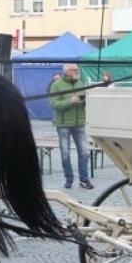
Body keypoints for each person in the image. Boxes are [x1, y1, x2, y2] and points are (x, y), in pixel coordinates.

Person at [48, 62, 93, 190]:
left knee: (83, 152)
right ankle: (69, 179)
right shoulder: (56, 85)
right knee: (65, 153)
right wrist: (70, 101)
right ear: (67, 71)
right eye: (74, 70)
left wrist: (85, 101)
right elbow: (53, 104)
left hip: (79, 122)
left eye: (77, 69)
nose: (77, 71)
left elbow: (85, 101)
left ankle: (84, 180)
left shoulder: (80, 83)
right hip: (63, 124)